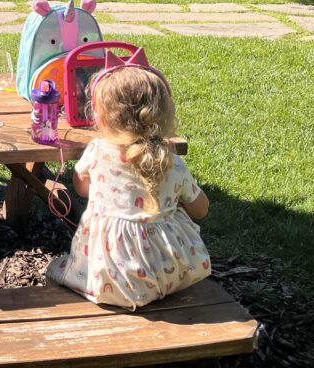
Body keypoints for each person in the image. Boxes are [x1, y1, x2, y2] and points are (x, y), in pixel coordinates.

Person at [47, 63, 211, 309]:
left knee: (54, 269)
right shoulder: (172, 162)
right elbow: (201, 210)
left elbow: (81, 189)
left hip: (111, 281)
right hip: (172, 276)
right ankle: (154, 284)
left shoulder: (97, 151)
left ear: (101, 116)